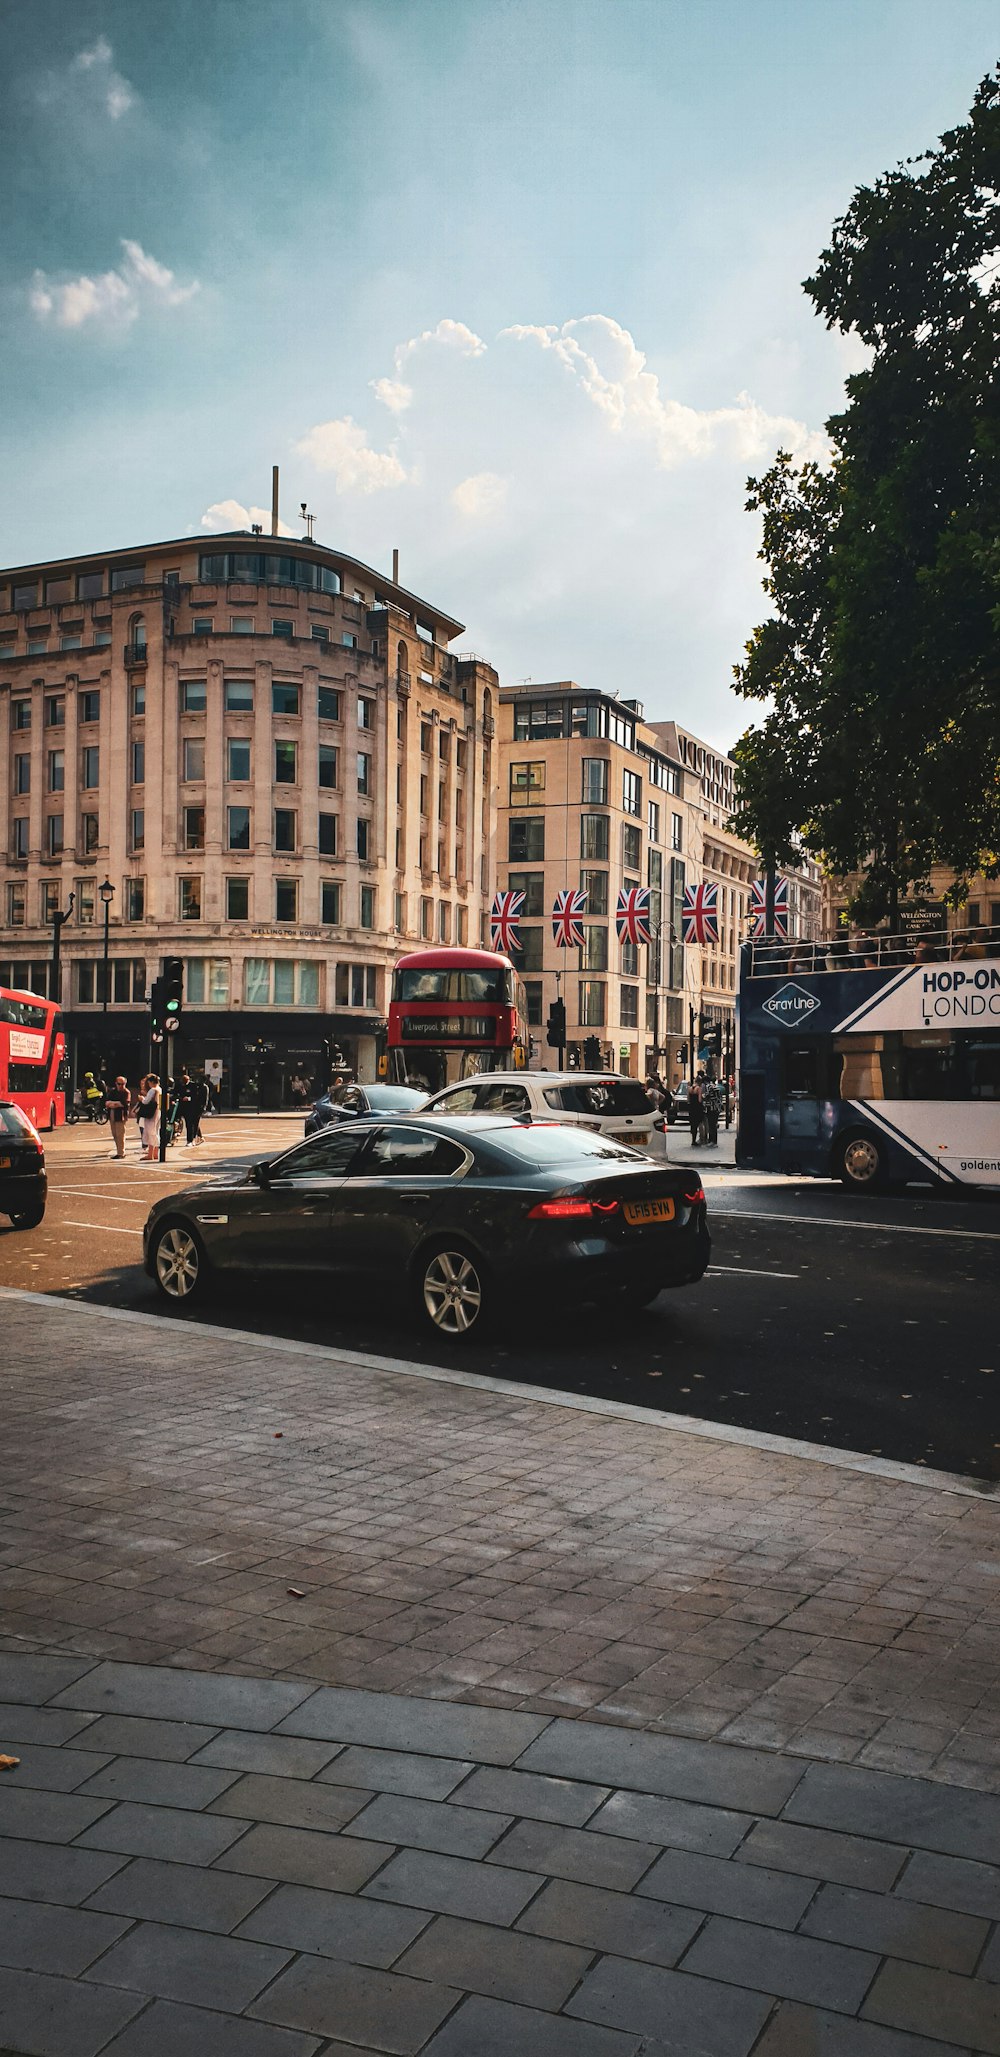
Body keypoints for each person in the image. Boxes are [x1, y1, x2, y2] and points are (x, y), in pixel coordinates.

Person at [104, 1075, 131, 1160]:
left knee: (120, 1134)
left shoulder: (126, 1092)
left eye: (123, 1084)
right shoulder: (113, 1091)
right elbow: (107, 1103)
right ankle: (118, 1151)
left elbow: (124, 1104)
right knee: (115, 1134)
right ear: (116, 1083)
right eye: (119, 1084)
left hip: (121, 1115)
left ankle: (121, 1153)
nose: (121, 1086)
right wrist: (115, 1103)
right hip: (112, 1113)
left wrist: (113, 1104)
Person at [137, 1074, 161, 1161]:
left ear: (151, 1082)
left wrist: (142, 1098)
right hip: (158, 1111)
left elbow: (146, 1101)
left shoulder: (153, 1090)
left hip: (151, 1113)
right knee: (156, 1131)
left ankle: (150, 1154)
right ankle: (155, 1153)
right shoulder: (160, 1089)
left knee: (151, 1132)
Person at [688, 1075, 703, 1146]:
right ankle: (700, 1138)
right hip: (697, 1108)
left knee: (693, 1124)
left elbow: (688, 1100)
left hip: (691, 1108)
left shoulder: (690, 1088)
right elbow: (699, 1100)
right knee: (698, 1123)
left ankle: (692, 1140)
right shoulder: (699, 1089)